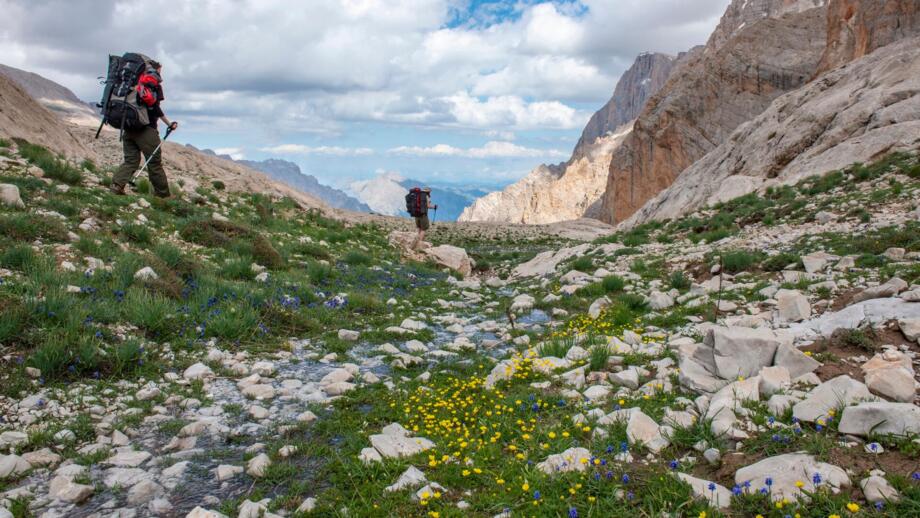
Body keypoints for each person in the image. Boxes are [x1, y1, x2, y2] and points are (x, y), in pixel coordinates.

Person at [110, 60, 178, 198]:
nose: (160, 73)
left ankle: (116, 186)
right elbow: (155, 108)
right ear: (156, 69)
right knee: (154, 162)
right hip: (146, 129)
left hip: (129, 127)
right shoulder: (153, 85)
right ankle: (163, 195)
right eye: (160, 70)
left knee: (131, 160)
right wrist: (168, 123)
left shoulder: (133, 85)